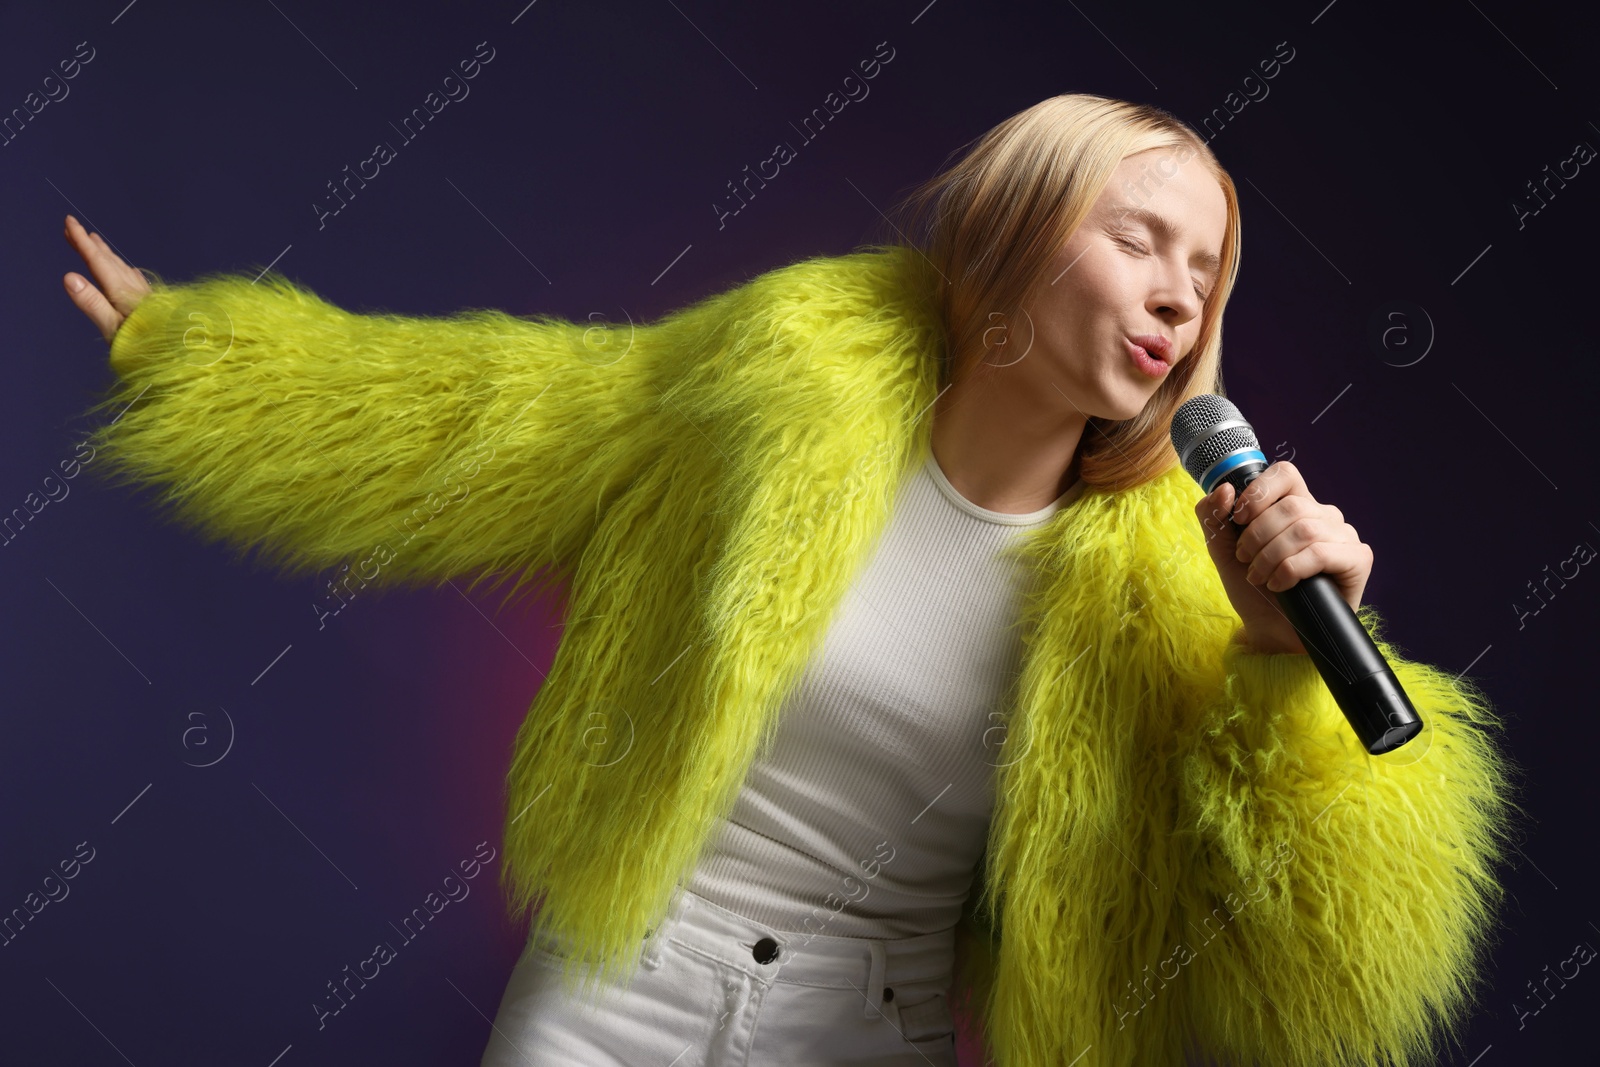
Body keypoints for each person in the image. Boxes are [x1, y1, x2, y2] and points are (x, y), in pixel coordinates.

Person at [64, 94, 1521, 1067]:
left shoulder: (1177, 585)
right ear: (1014, 228)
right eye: (1136, 235)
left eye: (1204, 270)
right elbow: (494, 414)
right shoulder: (778, 385)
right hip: (613, 990)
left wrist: (1282, 669)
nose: (1175, 294)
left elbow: (1317, 975)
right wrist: (202, 356)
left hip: (867, 1032)